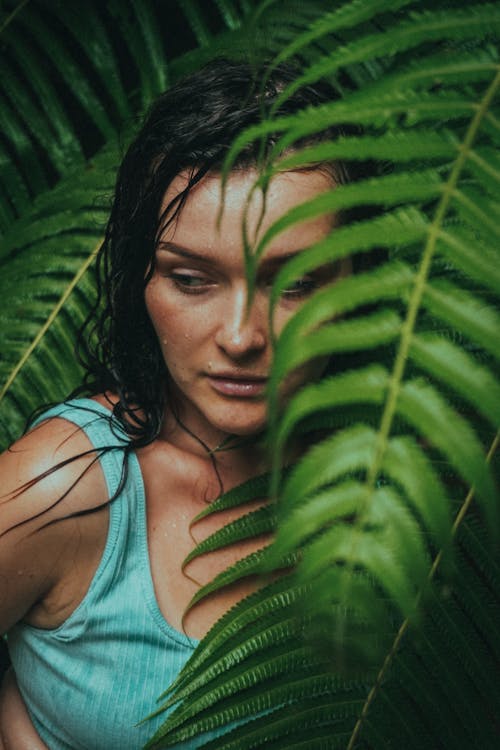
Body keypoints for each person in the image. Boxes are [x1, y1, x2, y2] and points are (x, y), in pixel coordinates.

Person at [0, 58, 352, 749]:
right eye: (192, 279)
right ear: (139, 281)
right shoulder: (64, 485)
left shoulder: (428, 483)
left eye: (298, 283)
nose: (242, 336)